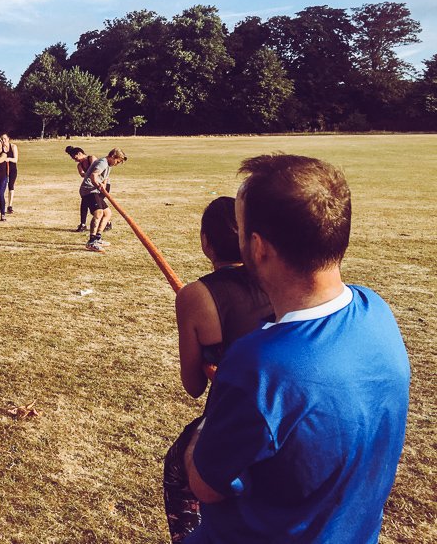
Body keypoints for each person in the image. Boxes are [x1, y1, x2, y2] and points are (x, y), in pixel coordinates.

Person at [183, 155, 410, 543]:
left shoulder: (258, 367)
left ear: (257, 247)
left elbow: (205, 485)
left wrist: (202, 431)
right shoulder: (376, 310)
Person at [163, 197, 272, 543]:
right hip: (287, 402)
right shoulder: (279, 279)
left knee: (179, 469)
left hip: (237, 413)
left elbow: (193, 384)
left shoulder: (196, 295)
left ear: (206, 242)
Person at [64, 146, 127, 250]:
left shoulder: (109, 165)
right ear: (112, 156)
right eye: (117, 161)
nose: (117, 164)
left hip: (95, 190)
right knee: (99, 213)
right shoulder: (103, 162)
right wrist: (99, 186)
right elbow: (93, 176)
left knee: (107, 213)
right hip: (89, 189)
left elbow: (105, 178)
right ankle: (91, 241)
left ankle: (98, 238)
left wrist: (105, 190)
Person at [0, 133, 19, 214]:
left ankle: (9, 206)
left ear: (8, 139)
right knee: (2, 188)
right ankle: (1, 206)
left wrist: (8, 159)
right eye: (2, 139)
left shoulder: (13, 147)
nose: (3, 141)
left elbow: (15, 160)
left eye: (4, 139)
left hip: (12, 170)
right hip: (3, 170)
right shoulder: (1, 148)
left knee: (11, 186)